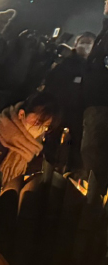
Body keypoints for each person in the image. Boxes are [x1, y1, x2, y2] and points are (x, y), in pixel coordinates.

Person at [0, 91, 58, 187]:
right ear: (21, 114)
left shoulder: (35, 148)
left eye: (46, 126)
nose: (40, 129)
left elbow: (31, 181)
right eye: (37, 123)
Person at [43, 31, 95, 170]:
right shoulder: (64, 63)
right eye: (82, 42)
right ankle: (45, 169)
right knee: (51, 140)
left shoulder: (93, 68)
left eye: (89, 43)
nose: (85, 46)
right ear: (76, 44)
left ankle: (72, 173)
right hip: (60, 108)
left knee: (77, 144)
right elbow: (51, 83)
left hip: (79, 112)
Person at [82, 0, 108, 187]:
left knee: (95, 151)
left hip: (102, 104)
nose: (106, 3)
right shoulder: (105, 32)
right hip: (95, 101)